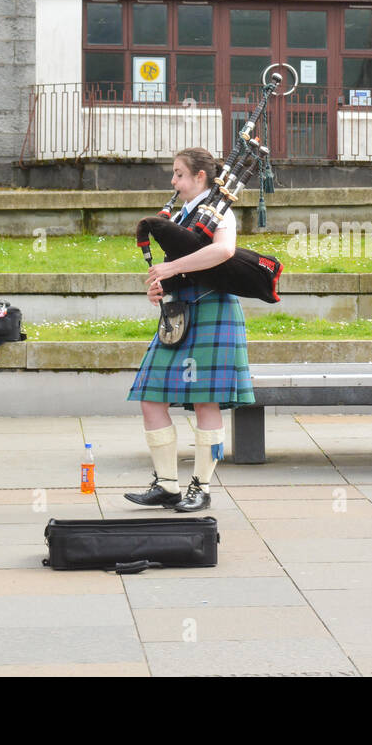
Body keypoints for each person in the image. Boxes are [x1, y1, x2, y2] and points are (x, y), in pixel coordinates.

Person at [125, 147, 254, 512]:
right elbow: (183, 266)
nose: (173, 180)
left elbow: (223, 252)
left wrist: (168, 269)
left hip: (213, 309)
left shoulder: (219, 211)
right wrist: (161, 286)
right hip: (179, 313)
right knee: (151, 398)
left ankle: (202, 487)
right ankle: (166, 484)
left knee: (204, 401)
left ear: (200, 176)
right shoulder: (184, 215)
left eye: (179, 173)